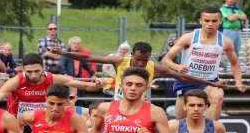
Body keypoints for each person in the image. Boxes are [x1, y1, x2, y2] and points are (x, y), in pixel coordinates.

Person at [61, 41, 221, 102]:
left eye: (145, 60)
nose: (141, 64)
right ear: (132, 55)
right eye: (138, 59)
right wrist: (63, 53)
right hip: (118, 103)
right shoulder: (120, 61)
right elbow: (89, 58)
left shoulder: (154, 67)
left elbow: (182, 77)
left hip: (140, 106)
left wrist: (212, 83)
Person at [162, 6, 246, 120]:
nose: (210, 24)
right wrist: (177, 67)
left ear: (220, 21)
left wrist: (238, 82)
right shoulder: (188, 38)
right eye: (207, 21)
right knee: (181, 122)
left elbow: (235, 63)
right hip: (187, 81)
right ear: (200, 21)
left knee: (218, 96)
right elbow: (166, 60)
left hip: (209, 81)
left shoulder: (225, 42)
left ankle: (209, 132)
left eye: (214, 21)